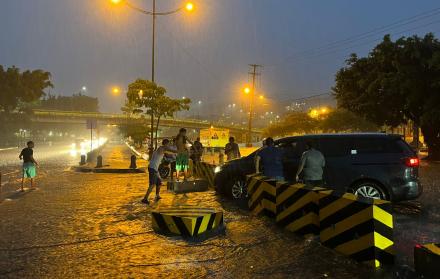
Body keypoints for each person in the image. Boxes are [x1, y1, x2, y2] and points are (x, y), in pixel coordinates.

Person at [142, 139, 177, 205]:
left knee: (159, 182)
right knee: (152, 184)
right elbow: (171, 151)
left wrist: (175, 154)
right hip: (153, 168)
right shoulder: (162, 148)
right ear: (166, 144)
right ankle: (145, 198)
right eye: (169, 144)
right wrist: (178, 151)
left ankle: (157, 195)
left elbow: (170, 154)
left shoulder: (162, 149)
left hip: (155, 168)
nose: (169, 146)